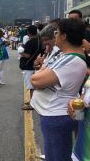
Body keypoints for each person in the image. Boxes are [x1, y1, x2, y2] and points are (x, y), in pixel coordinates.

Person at [30, 19, 87, 161]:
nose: (55, 36)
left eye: (57, 32)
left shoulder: (71, 59)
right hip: (55, 114)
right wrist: (43, 70)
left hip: (56, 116)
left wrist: (43, 69)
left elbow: (36, 81)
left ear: (64, 36)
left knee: (57, 156)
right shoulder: (65, 56)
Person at [20, 25, 43, 110]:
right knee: (34, 85)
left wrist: (21, 52)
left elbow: (27, 55)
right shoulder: (39, 40)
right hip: (36, 65)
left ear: (28, 32)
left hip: (29, 65)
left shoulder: (30, 42)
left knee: (31, 86)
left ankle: (31, 104)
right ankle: (33, 101)